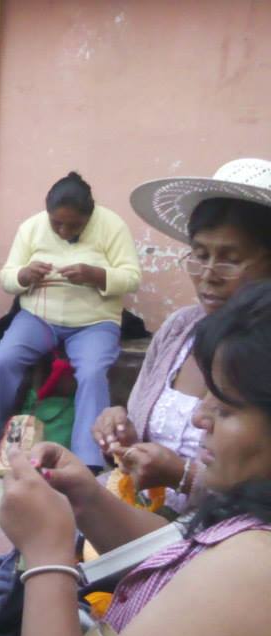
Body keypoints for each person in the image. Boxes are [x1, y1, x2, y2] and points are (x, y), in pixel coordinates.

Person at [0, 280, 271, 636]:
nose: (199, 418)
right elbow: (177, 557)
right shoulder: (250, 513)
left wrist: (45, 554)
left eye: (225, 407)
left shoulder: (254, 576)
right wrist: (86, 497)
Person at [93, 158, 271, 513]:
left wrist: (182, 476)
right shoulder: (179, 329)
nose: (208, 274)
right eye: (200, 255)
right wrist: (124, 435)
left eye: (230, 259)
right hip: (144, 511)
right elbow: (141, 429)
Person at [0, 172, 141, 471]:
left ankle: (88, 459)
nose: (63, 231)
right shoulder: (32, 227)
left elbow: (131, 278)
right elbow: (8, 277)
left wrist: (95, 275)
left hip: (94, 322)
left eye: (74, 225)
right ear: (47, 213)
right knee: (4, 359)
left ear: (90, 215)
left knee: (92, 372)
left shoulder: (112, 226)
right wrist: (24, 275)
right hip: (38, 317)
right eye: (56, 223)